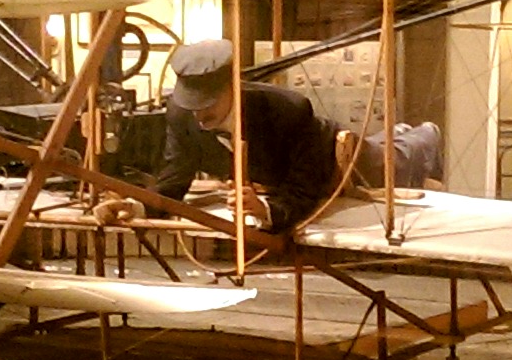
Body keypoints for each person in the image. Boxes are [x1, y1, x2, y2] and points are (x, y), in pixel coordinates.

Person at [108, 39, 341, 232]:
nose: (199, 115)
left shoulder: (288, 111)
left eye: (207, 104)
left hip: (334, 167)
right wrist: (134, 207)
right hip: (268, 185)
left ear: (233, 87)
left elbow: (304, 188)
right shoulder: (181, 116)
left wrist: (266, 210)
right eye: (192, 106)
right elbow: (172, 184)